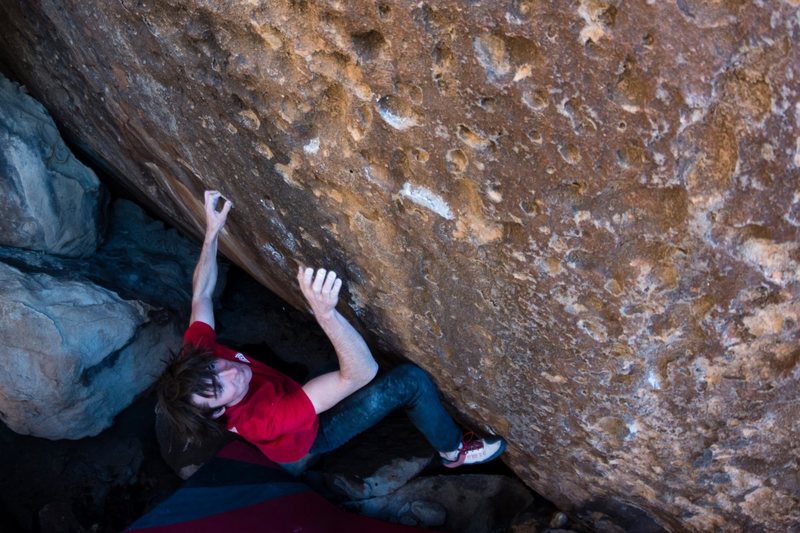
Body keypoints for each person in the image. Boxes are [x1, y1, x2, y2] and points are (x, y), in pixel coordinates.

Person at [156, 190, 506, 469]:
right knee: (408, 382)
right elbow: (359, 375)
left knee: (337, 361)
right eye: (220, 388)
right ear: (220, 411)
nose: (229, 370)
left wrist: (212, 234)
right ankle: (454, 451)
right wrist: (326, 314)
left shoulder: (197, 362)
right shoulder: (266, 420)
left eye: (215, 367)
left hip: (289, 397)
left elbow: (200, 295)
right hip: (310, 436)